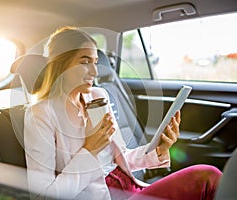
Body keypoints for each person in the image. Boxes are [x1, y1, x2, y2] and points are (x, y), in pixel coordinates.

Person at [24, 26, 222, 200]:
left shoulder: (97, 96)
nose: (94, 71)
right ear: (60, 65)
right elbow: (43, 196)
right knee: (207, 177)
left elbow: (119, 158)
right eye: (85, 62)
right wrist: (90, 150)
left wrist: (158, 150)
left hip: (129, 188)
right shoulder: (41, 115)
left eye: (95, 61)